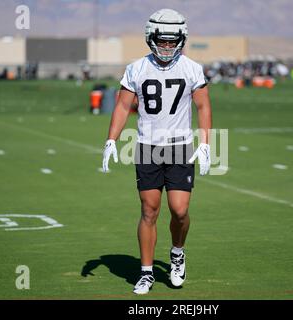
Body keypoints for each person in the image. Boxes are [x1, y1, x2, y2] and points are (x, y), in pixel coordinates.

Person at [101, 8, 212, 295]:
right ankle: (147, 272)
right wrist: (111, 140)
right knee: (149, 210)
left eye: (171, 41)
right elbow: (124, 105)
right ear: (150, 38)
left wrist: (206, 143)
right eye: (161, 41)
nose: (166, 46)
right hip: (148, 148)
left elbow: (203, 106)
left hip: (179, 148)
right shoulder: (137, 68)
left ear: (181, 39)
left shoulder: (191, 68)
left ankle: (177, 252)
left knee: (180, 210)